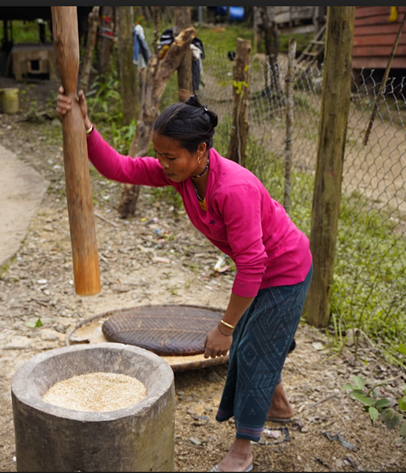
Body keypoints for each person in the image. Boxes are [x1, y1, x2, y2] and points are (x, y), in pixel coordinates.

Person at [56, 88, 313, 473]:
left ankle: (242, 452)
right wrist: (84, 124)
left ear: (201, 150)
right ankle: (278, 406)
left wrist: (224, 327)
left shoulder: (234, 189)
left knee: (250, 351)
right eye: (159, 154)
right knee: (255, 341)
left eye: (170, 156)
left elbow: (253, 264)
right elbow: (119, 168)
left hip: (284, 269)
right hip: (260, 268)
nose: (162, 163)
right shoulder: (182, 175)